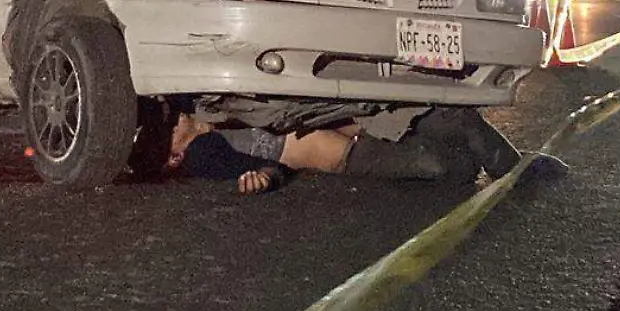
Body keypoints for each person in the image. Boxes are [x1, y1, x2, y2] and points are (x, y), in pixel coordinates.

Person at [164, 107, 540, 194]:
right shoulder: (206, 152)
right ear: (175, 155)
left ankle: (516, 168)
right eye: (169, 132)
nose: (173, 120)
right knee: (438, 164)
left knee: (451, 115)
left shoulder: (211, 104)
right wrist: (263, 178)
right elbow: (264, 168)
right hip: (352, 156)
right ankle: (485, 164)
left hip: (355, 124)